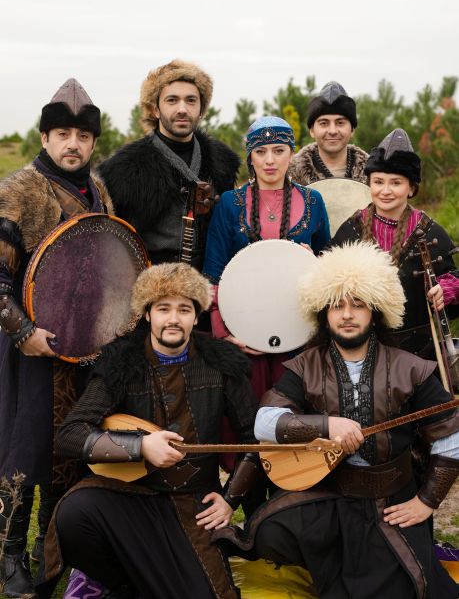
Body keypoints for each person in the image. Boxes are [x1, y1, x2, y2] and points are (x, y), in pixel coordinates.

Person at [215, 242, 459, 599]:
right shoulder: (305, 365)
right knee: (269, 533)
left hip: (390, 499)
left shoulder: (411, 368)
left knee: (401, 586)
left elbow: (451, 437)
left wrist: (426, 501)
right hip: (330, 493)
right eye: (337, 305)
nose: (347, 314)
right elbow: (265, 423)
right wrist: (327, 426)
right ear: (323, 313)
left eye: (358, 304)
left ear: (376, 311)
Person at [38, 263, 261, 599]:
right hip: (132, 499)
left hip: (195, 505)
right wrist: (140, 446)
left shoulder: (221, 363)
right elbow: (69, 435)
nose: (173, 319)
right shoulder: (121, 362)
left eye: (184, 309)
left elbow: (254, 437)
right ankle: (120, 583)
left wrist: (230, 500)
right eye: (163, 309)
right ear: (147, 314)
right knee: (74, 513)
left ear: (196, 317)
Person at [0, 79, 113, 597]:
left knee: (68, 452)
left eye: (82, 136)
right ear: (45, 138)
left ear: (93, 142)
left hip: (83, 348)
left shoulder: (99, 190)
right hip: (30, 347)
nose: (73, 144)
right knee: (24, 450)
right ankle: (10, 555)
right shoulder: (19, 190)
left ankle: (50, 552)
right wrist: (22, 332)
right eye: (63, 134)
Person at [203, 116, 330, 399]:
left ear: (291, 153)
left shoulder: (313, 201)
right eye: (260, 152)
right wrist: (225, 333)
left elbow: (329, 264)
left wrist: (314, 263)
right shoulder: (229, 203)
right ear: (250, 156)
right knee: (248, 408)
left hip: (300, 330)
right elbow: (213, 272)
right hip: (243, 329)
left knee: (295, 406)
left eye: (278, 150)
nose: (269, 160)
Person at [97, 59, 240, 270]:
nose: (182, 109)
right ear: (156, 109)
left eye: (191, 100)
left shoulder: (223, 163)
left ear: (201, 109)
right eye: (172, 100)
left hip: (210, 279)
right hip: (150, 282)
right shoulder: (122, 171)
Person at [332, 128, 459, 356]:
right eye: (378, 182)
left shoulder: (430, 232)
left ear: (411, 188)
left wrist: (446, 290)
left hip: (419, 351)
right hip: (360, 350)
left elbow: (452, 278)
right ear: (369, 184)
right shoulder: (351, 228)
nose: (385, 191)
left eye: (396, 183)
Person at [289, 81, 368, 185]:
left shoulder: (374, 176)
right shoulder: (289, 178)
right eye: (324, 123)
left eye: (340, 123)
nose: (332, 131)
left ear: (352, 130)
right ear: (312, 130)